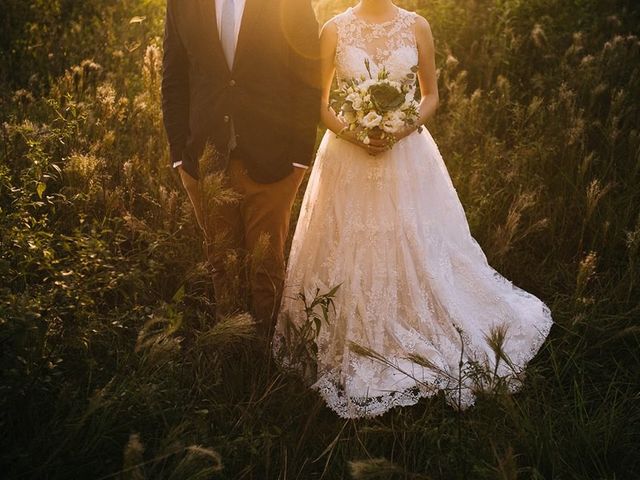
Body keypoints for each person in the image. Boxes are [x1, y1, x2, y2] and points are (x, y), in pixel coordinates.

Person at [272, 0, 554, 419]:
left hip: (408, 153)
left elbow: (430, 96)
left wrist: (400, 128)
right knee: (348, 241)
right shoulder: (333, 29)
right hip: (347, 156)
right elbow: (320, 104)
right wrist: (356, 133)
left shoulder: (417, 26)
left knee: (417, 240)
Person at [161, 0, 321, 337]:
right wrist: (180, 158)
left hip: (273, 160)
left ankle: (266, 362)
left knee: (267, 269)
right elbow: (174, 79)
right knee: (222, 265)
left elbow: (308, 77)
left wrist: (299, 159)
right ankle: (230, 356)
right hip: (206, 160)